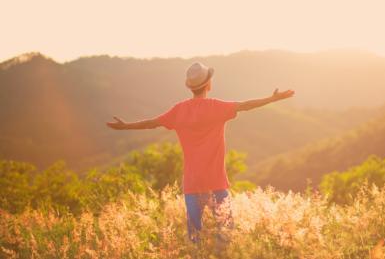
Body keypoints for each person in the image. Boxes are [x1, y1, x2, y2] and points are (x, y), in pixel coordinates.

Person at [106, 62, 295, 244]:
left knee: (195, 238)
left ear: (190, 87)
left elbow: (150, 123)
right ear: (209, 84)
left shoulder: (178, 111)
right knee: (226, 234)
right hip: (216, 182)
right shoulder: (216, 107)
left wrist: (125, 127)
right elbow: (245, 105)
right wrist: (272, 99)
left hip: (192, 184)